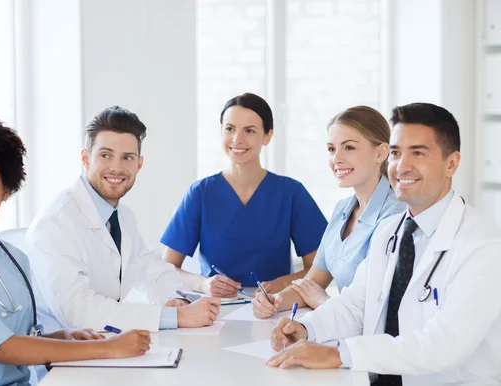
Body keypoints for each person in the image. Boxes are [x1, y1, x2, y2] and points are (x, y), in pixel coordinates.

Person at [266, 103, 501, 386]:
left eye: (417, 153)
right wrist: (306, 328)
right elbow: (356, 304)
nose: (401, 166)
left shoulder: (482, 245)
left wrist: (339, 354)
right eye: (396, 153)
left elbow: (444, 344)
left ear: (451, 163)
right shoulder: (390, 231)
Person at [0, 119, 151, 386]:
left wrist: (61, 336)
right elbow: (0, 348)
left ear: (5, 190)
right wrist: (109, 347)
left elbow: (19, 337)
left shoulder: (13, 257)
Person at [27, 106, 220, 334]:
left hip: (106, 345)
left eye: (127, 157)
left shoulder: (122, 216)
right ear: (86, 158)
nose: (117, 168)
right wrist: (173, 317)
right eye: (105, 155)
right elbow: (78, 312)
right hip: (60, 359)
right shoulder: (56, 221)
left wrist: (174, 299)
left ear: (139, 164)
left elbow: (152, 270)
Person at [161, 93, 327, 298]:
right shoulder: (201, 193)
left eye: (249, 131)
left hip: (276, 306)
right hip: (214, 310)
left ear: (267, 136)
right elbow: (166, 268)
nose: (237, 139)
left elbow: (320, 269)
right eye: (229, 129)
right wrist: (203, 284)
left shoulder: (291, 193)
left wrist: (283, 283)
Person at [252, 106, 405, 318]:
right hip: (342, 328)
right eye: (331, 149)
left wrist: (324, 302)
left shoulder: (398, 215)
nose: (336, 159)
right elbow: (313, 282)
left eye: (349, 147)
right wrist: (276, 301)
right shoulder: (343, 209)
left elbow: (380, 309)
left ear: (380, 152)